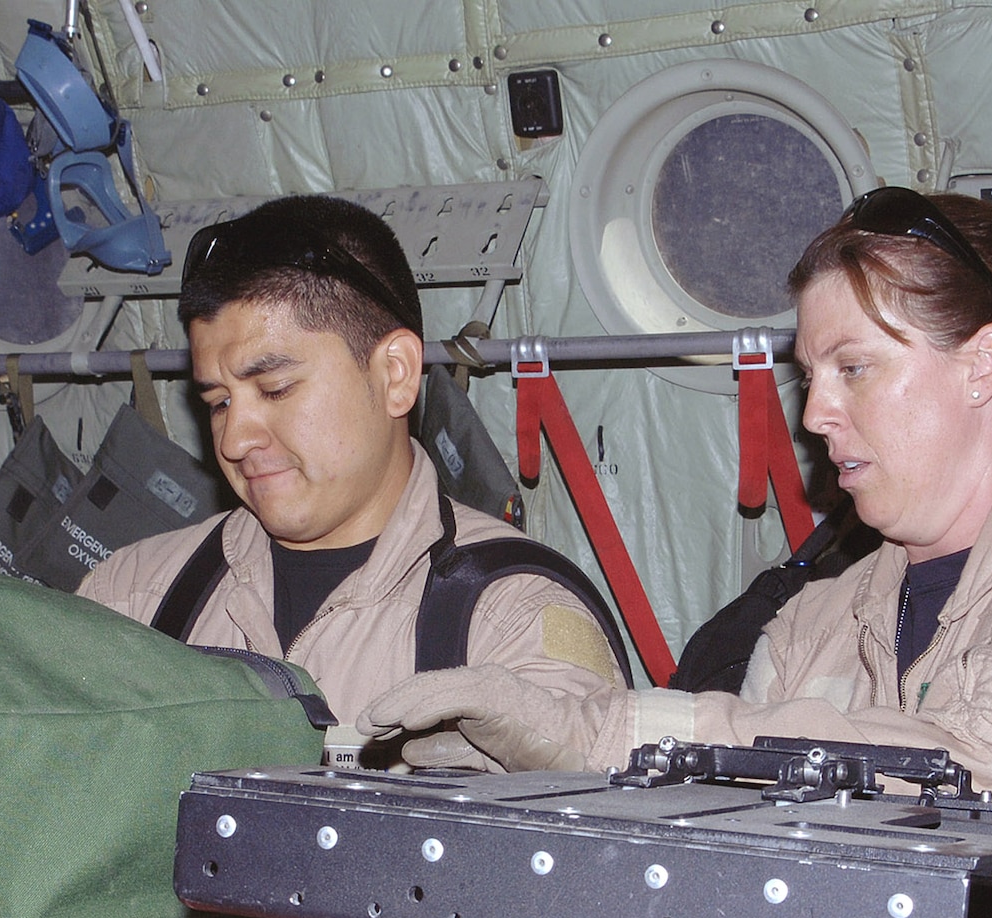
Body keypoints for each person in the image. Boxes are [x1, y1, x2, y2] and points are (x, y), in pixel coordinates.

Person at [364, 188, 992, 815]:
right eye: (809, 375)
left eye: (854, 368)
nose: (817, 412)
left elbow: (982, 785)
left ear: (982, 365)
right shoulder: (812, 621)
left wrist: (596, 732)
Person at [77, 195, 625, 745]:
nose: (236, 438)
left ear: (395, 375)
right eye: (218, 401)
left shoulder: (513, 622)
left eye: (275, 389)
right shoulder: (132, 599)